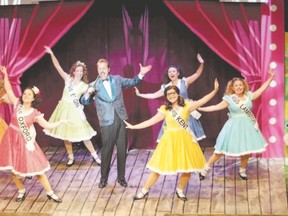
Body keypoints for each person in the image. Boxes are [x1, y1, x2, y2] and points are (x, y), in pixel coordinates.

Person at [125, 80, 219, 201]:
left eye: (173, 93)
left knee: (187, 168)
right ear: (166, 96)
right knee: (158, 168)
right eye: (169, 94)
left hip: (185, 141)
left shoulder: (187, 106)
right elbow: (150, 121)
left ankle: (180, 190)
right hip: (169, 141)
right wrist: (134, 127)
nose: (171, 96)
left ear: (178, 94)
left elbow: (203, 100)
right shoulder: (165, 109)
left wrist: (215, 91)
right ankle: (144, 190)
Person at [80, 58, 152, 188]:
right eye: (99, 68)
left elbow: (132, 82)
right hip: (107, 121)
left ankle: (121, 178)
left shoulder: (117, 79)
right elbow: (84, 101)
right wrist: (87, 95)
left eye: (104, 68)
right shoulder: (93, 85)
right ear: (97, 70)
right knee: (107, 150)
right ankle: (103, 178)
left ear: (108, 69)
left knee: (121, 150)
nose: (102, 71)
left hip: (121, 118)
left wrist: (141, 74)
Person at [0, 65, 67, 203]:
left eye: (29, 94)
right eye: (24, 93)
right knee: (13, 167)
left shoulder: (35, 113)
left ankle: (50, 192)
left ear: (33, 98)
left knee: (37, 170)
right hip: (11, 140)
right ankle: (21, 190)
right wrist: (5, 74)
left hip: (25, 143)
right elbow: (8, 88)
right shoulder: (16, 104)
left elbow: (47, 125)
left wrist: (60, 123)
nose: (25, 95)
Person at [198, 69, 275, 181]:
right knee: (220, 151)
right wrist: (200, 108)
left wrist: (270, 78)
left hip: (248, 126)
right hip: (233, 127)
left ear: (243, 86)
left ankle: (242, 170)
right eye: (236, 85)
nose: (239, 87)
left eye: (240, 85)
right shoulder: (229, 98)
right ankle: (205, 168)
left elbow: (262, 89)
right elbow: (215, 107)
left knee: (246, 150)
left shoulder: (249, 95)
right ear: (232, 88)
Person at [43, 46, 101, 167]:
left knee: (85, 135)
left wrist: (90, 92)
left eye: (81, 71)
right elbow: (57, 66)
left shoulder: (84, 85)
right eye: (77, 70)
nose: (79, 73)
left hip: (75, 111)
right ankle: (70, 157)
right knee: (66, 134)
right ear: (73, 71)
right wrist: (52, 54)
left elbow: (85, 100)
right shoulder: (67, 79)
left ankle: (95, 156)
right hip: (64, 109)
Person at [134, 54, 205, 142]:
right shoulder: (166, 86)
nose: (171, 73)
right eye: (169, 72)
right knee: (175, 139)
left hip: (185, 112)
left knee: (188, 138)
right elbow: (153, 95)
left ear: (178, 73)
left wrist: (202, 63)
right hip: (173, 113)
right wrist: (139, 94)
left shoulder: (184, 82)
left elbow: (197, 74)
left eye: (173, 71)